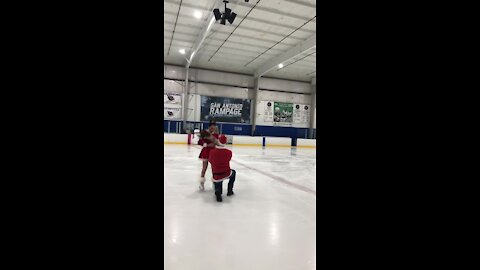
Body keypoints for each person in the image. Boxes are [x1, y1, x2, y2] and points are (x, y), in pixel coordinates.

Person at [208, 135, 236, 202]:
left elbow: (210, 161)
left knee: (218, 178)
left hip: (216, 174)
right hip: (226, 172)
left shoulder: (212, 152)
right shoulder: (229, 152)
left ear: (218, 141)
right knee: (233, 173)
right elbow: (228, 160)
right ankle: (230, 191)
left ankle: (218, 191)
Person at [197, 124, 219, 190]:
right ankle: (201, 183)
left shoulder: (215, 134)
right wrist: (206, 144)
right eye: (212, 128)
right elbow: (199, 142)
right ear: (209, 127)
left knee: (214, 169)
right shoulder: (204, 133)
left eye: (214, 128)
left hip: (213, 152)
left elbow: (216, 142)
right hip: (206, 152)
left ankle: (214, 183)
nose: (213, 129)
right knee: (204, 168)